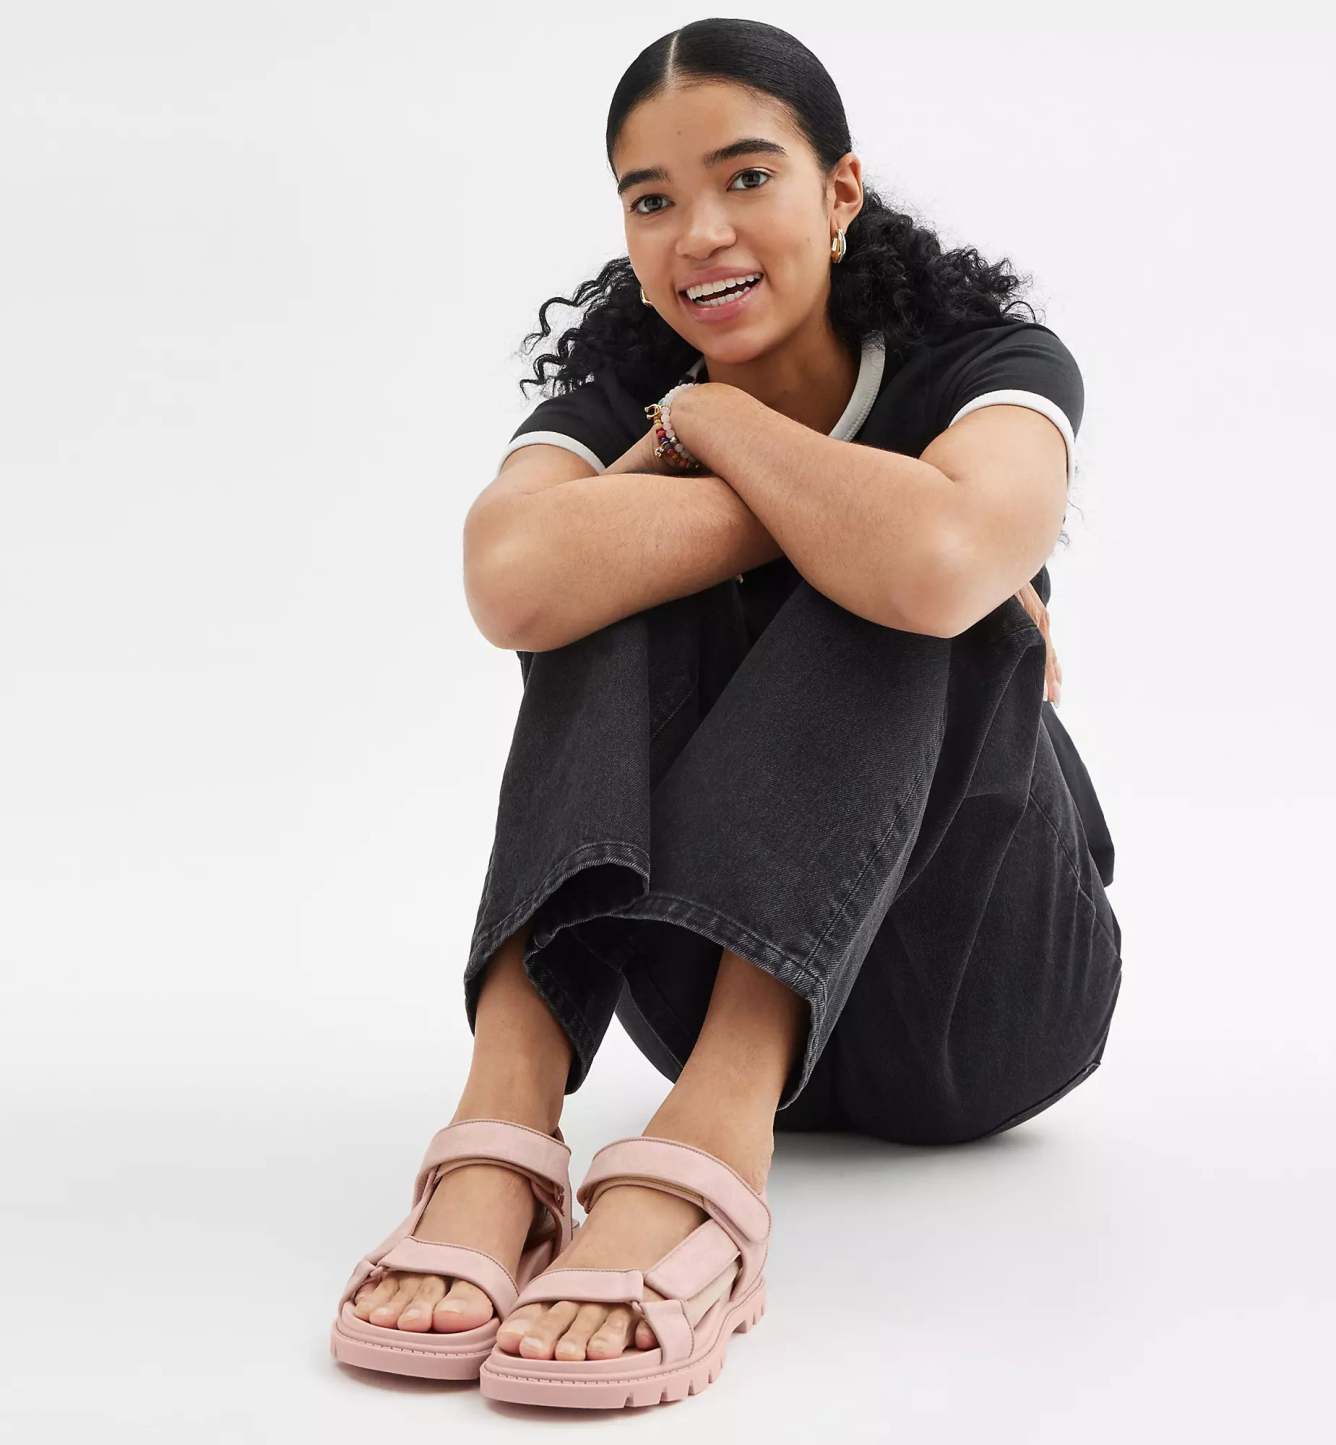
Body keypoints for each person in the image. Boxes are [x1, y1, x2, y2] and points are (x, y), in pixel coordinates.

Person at [331, 18, 1123, 1405]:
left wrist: (717, 431)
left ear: (839, 189)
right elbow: (510, 582)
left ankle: (718, 1132)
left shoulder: (980, 362)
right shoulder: (619, 391)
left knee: (904, 583)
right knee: (604, 574)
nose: (699, 233)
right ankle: (508, 1101)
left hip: (985, 994)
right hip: (681, 988)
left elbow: (936, 565)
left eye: (747, 177)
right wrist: (821, 497)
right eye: (651, 200)